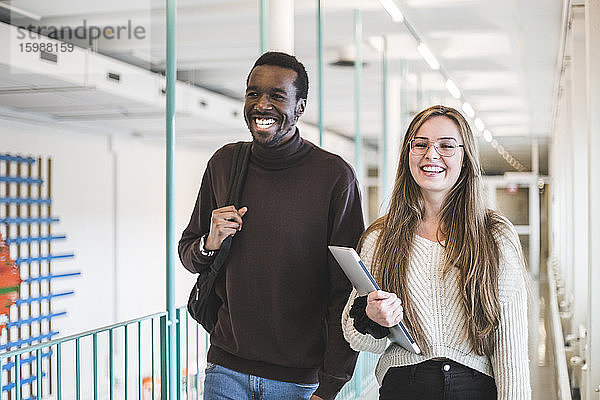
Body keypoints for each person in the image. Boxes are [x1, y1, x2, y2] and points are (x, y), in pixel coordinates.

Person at [179, 51, 365, 400]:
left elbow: (348, 288)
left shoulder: (334, 177)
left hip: (297, 381)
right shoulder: (224, 163)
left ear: (300, 107)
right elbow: (189, 255)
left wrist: (331, 385)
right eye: (253, 93)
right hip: (225, 370)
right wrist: (211, 240)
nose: (261, 104)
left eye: (277, 96)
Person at [341, 105, 531, 400]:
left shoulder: (494, 236)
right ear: (408, 154)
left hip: (475, 389)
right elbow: (354, 336)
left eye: (446, 146)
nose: (431, 154)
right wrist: (373, 316)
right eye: (421, 144)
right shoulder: (381, 238)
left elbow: (511, 349)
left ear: (465, 159)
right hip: (403, 388)